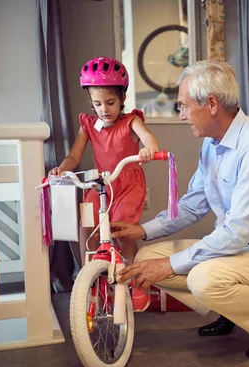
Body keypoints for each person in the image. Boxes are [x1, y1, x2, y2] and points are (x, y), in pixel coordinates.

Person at [111, 60, 249, 359]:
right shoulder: (212, 145)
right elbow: (193, 204)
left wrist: (172, 264)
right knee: (149, 257)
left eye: (184, 106)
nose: (182, 114)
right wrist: (144, 230)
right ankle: (236, 309)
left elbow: (238, 230)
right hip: (237, 249)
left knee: (201, 278)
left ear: (212, 103)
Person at [49, 56, 159, 312]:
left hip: (127, 184)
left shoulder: (130, 120)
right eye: (97, 103)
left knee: (122, 231)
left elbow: (148, 138)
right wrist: (63, 168)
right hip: (101, 185)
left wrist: (149, 149)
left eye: (110, 102)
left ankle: (135, 280)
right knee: (87, 226)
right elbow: (75, 155)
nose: (104, 109)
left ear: (122, 98)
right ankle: (90, 273)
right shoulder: (88, 124)